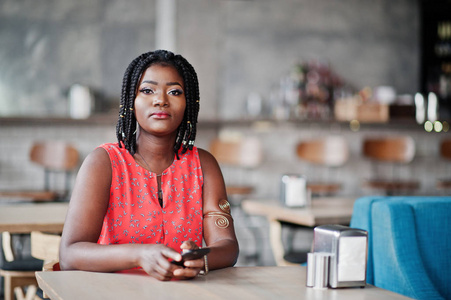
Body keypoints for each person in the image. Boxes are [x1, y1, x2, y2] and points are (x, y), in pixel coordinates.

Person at [59, 50, 239, 280]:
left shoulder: (204, 165)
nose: (161, 100)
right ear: (131, 101)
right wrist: (140, 254)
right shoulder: (104, 162)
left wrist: (199, 259)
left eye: (174, 92)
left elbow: (227, 245)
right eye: (147, 90)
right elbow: (69, 255)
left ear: (188, 104)